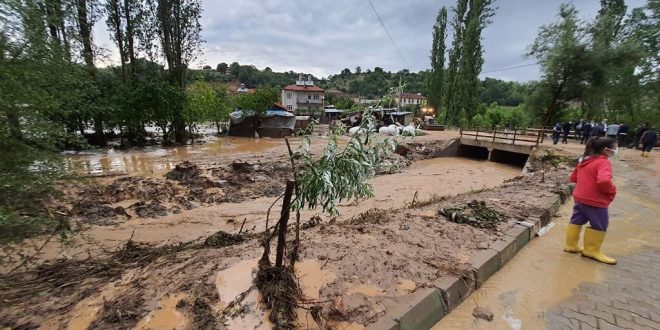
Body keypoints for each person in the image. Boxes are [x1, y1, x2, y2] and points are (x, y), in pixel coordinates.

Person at [564, 137, 618, 265]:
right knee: (600, 225)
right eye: (614, 147)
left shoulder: (583, 160)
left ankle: (570, 246)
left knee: (576, 221)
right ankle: (591, 250)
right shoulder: (603, 162)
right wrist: (611, 190)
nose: (615, 150)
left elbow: (573, 177)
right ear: (606, 150)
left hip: (580, 198)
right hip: (595, 201)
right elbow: (604, 181)